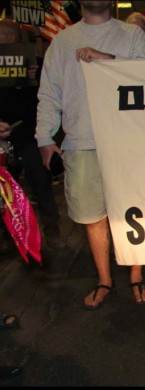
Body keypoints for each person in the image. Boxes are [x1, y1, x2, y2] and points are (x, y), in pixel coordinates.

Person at [36, 0, 145, 308]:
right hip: (81, 140)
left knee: (134, 211)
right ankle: (104, 279)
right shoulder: (62, 41)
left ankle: (136, 274)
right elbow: (50, 92)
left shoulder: (131, 35)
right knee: (93, 216)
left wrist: (106, 60)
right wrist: (45, 136)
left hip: (128, 140)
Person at [0, 18, 63, 251]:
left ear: (16, 38)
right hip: (2, 138)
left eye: (7, 35)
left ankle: (53, 230)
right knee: (5, 192)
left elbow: (48, 98)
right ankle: (12, 237)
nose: (3, 39)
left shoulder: (34, 64)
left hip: (29, 135)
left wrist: (36, 76)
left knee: (40, 184)